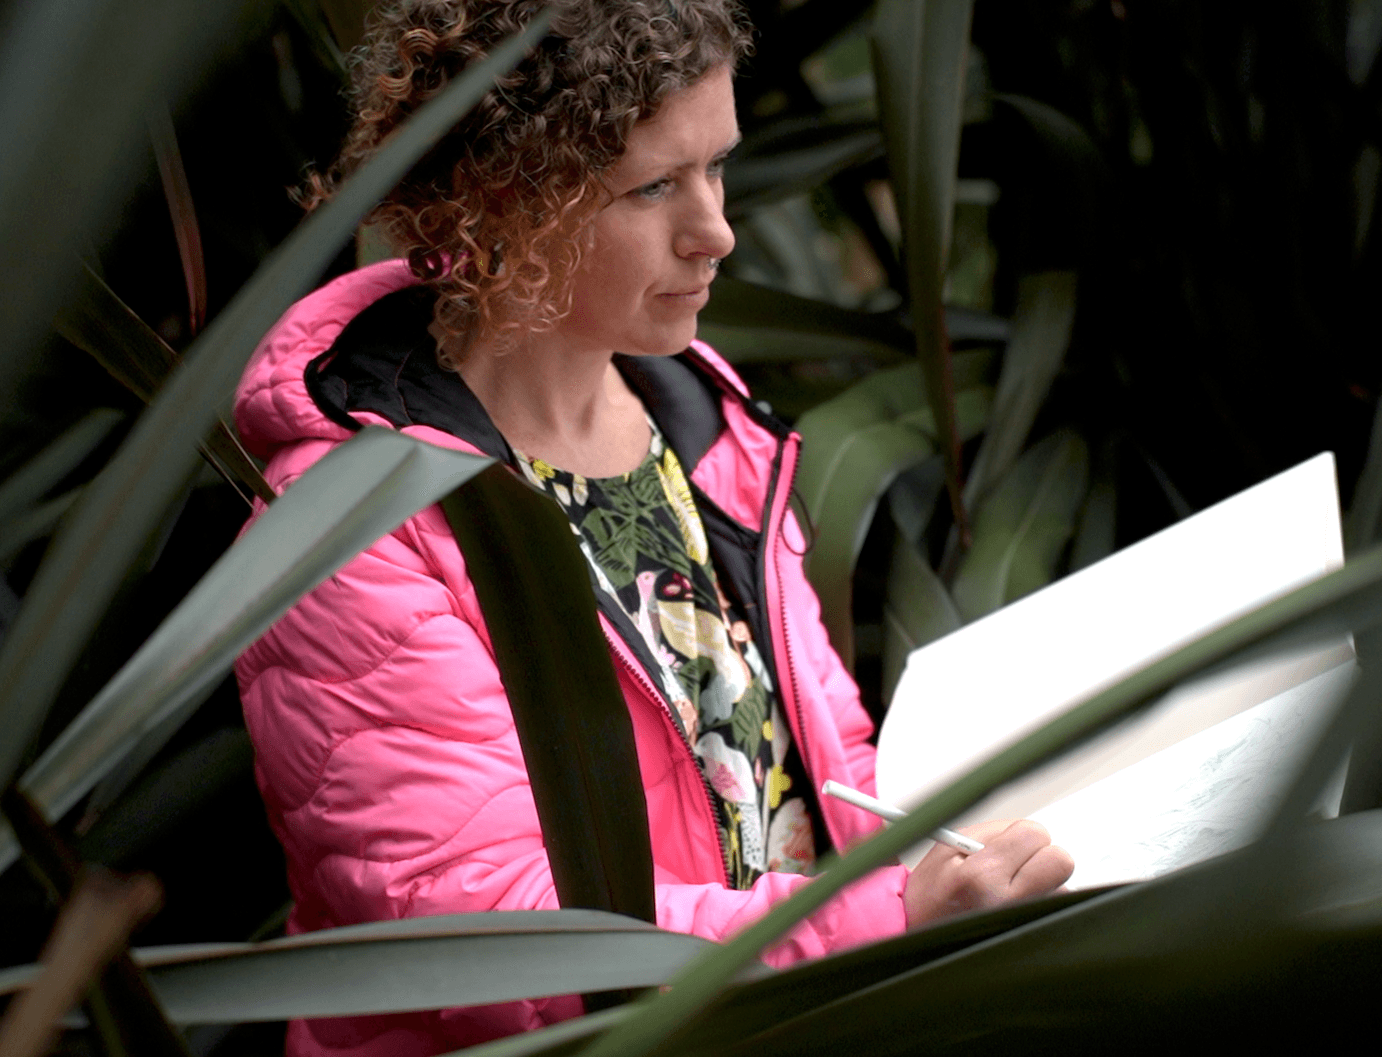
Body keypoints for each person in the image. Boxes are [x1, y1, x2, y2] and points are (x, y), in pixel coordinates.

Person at [232, 2, 1074, 1055]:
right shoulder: (357, 520)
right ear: (505, 201)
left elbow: (811, 761)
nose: (715, 229)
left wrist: (950, 873)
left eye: (717, 167)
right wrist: (874, 925)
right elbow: (485, 933)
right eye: (655, 187)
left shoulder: (698, 417)